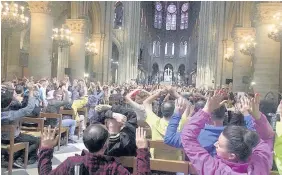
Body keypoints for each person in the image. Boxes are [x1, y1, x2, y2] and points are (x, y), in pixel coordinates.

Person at [181, 92, 274, 175]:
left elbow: (187, 137)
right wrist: (255, 117)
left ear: (231, 156)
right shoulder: (261, 163)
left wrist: (206, 110)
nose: (215, 144)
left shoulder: (216, 170)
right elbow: (266, 138)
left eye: (220, 145)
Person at [37, 125, 151, 175]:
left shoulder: (71, 163)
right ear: (106, 144)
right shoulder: (112, 168)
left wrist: (46, 149)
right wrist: (142, 150)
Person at [1, 82, 40, 167]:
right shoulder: (12, 114)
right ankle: (20, 159)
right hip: (12, 138)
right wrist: (31, 91)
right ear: (10, 100)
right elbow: (29, 108)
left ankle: (9, 157)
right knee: (37, 140)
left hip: (1, 138)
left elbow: (18, 104)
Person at [143, 87, 186, 160]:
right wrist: (175, 93)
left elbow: (146, 102)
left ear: (162, 111)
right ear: (175, 112)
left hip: (156, 162)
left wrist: (158, 94)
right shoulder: (181, 122)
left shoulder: (155, 121)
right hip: (176, 164)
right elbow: (189, 106)